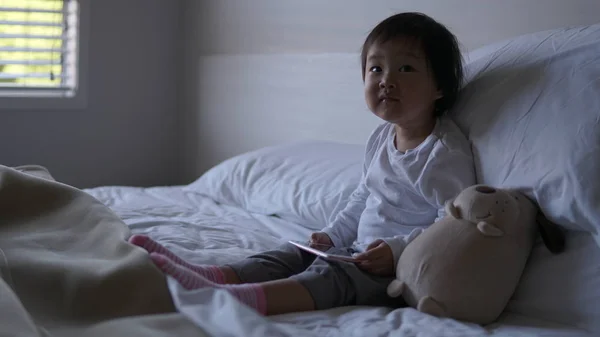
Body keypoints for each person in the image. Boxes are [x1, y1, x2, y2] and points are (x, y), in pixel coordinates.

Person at [129, 12, 476, 316]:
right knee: (292, 254)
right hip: (355, 252)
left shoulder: (443, 153)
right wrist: (331, 235)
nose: (386, 79)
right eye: (376, 67)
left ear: (440, 87)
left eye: (406, 67)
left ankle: (238, 299)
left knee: (329, 279)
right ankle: (210, 276)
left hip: (396, 273)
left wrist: (397, 250)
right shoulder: (381, 138)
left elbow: (448, 226)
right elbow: (363, 197)